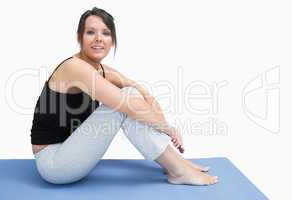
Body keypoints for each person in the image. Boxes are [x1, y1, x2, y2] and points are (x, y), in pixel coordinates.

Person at [30, 7, 218, 185]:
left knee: (132, 94)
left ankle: (177, 163)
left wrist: (164, 127)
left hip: (72, 150)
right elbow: (128, 105)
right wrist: (168, 129)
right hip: (53, 163)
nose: (98, 39)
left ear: (112, 40)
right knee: (125, 102)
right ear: (79, 37)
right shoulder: (74, 68)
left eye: (105, 33)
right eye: (90, 32)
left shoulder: (100, 70)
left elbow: (140, 92)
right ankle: (178, 171)